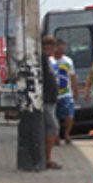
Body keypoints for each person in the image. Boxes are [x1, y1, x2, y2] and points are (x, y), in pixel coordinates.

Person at [41, 36, 74, 169]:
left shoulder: (49, 61)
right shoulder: (43, 60)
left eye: (51, 47)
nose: (49, 49)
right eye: (46, 47)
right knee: (53, 127)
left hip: (52, 98)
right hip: (46, 99)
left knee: (53, 126)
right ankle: (47, 159)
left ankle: (46, 157)